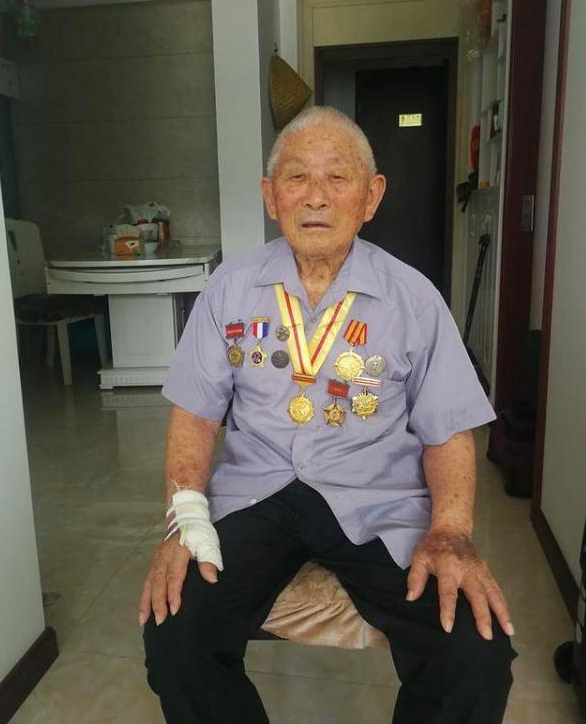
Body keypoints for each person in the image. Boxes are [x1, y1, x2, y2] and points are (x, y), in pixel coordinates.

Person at [140, 106, 518, 724]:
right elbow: (197, 416)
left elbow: (447, 431)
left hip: (377, 499)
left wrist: (451, 530)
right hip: (256, 496)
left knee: (475, 650)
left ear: (371, 197)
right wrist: (185, 517)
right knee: (174, 635)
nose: (315, 196)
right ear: (271, 196)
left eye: (337, 178)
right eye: (297, 177)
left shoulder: (414, 299)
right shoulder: (228, 290)